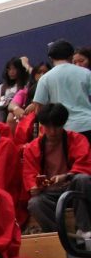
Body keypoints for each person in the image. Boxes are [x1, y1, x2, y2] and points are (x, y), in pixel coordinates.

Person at [23, 103, 91, 240]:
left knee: (82, 179)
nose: (52, 131)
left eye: (57, 126)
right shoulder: (32, 147)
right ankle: (62, 236)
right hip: (49, 192)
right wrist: (34, 186)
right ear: (42, 125)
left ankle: (85, 229)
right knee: (34, 203)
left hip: (71, 186)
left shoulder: (77, 139)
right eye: (48, 127)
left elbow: (85, 165)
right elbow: (29, 174)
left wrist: (66, 176)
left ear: (64, 124)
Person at [32, 39, 91, 141]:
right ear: (71, 56)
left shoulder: (45, 78)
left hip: (62, 130)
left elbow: (39, 110)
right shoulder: (86, 73)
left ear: (51, 58)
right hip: (88, 125)